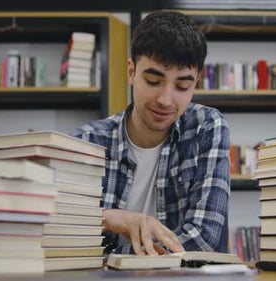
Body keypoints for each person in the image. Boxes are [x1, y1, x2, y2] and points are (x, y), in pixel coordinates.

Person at [71, 10, 230, 256]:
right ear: (131, 71)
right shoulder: (85, 142)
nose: (165, 100)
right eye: (154, 81)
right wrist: (107, 218)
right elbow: (65, 236)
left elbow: (204, 236)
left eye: (182, 86)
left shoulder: (206, 127)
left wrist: (116, 257)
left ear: (196, 82)